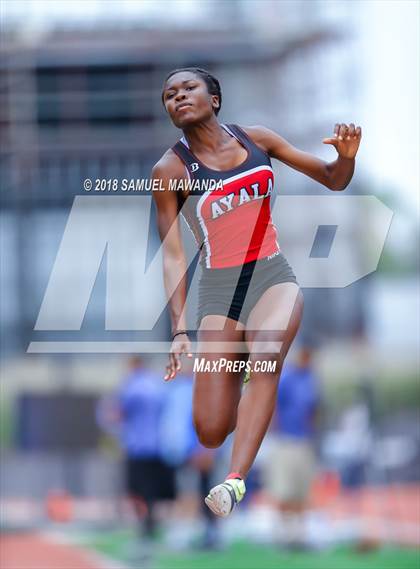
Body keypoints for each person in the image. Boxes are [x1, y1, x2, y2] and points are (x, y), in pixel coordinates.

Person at [152, 66, 361, 517]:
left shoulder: (257, 140)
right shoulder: (169, 170)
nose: (178, 97)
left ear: (216, 98)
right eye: (169, 95)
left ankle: (234, 481)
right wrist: (179, 330)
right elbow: (171, 256)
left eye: (188, 88)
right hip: (219, 292)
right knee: (210, 429)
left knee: (267, 356)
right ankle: (240, 367)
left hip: (272, 275)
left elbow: (333, 177)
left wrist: (346, 158)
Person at [96, 356, 176, 539]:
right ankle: (154, 521)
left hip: (138, 447)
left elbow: (116, 414)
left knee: (138, 489)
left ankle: (145, 524)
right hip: (160, 446)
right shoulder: (158, 384)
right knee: (156, 490)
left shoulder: (132, 387)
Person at [262, 344, 320, 548]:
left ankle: (299, 534)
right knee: (283, 490)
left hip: (303, 440)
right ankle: (284, 533)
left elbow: (314, 410)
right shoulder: (287, 378)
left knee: (301, 491)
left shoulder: (312, 379)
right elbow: (274, 405)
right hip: (285, 440)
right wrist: (274, 433)